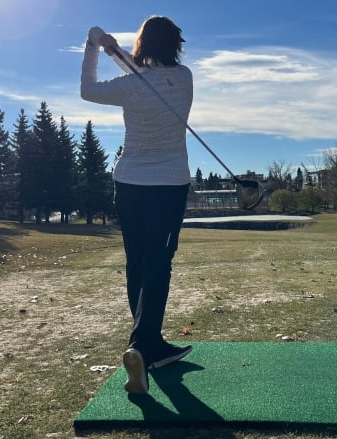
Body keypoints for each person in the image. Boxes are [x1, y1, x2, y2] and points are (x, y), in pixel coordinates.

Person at [81, 16, 193, 395]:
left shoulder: (131, 85)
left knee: (138, 261)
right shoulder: (184, 79)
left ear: (142, 45)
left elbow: (89, 89)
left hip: (129, 182)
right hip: (170, 184)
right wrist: (114, 51)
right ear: (175, 45)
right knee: (158, 263)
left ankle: (149, 345)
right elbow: (150, 75)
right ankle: (142, 345)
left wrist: (95, 45)